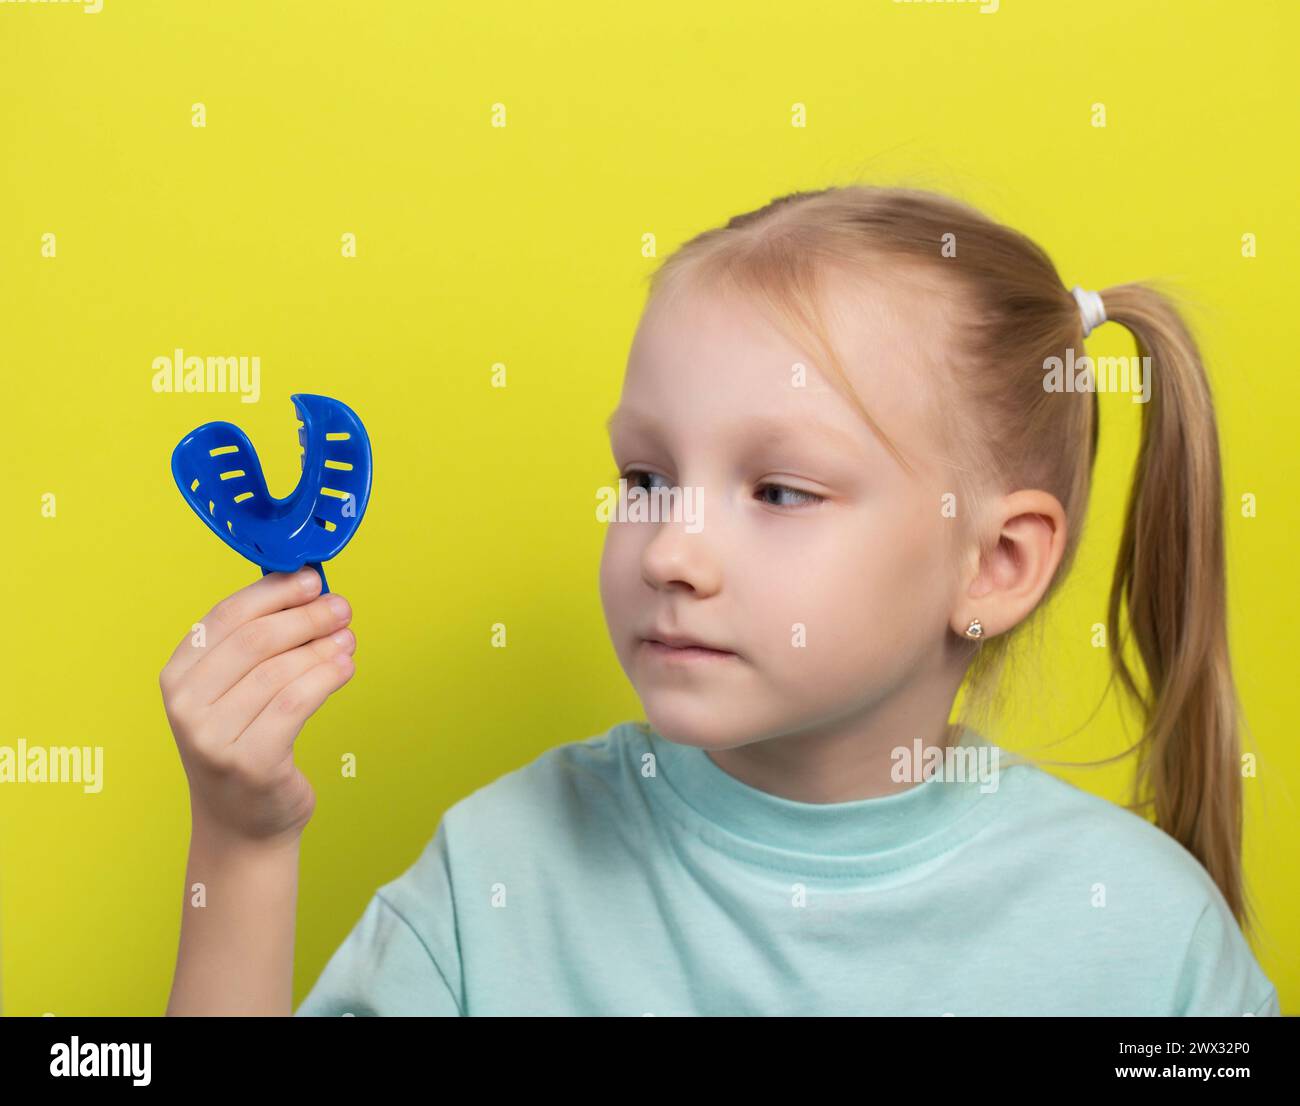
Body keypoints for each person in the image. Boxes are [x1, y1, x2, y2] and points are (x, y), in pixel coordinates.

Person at [162, 184, 1281, 1016]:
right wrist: (245, 841)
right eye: (645, 479)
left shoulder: (1136, 930)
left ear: (992, 565)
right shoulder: (499, 874)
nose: (669, 551)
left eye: (779, 490)